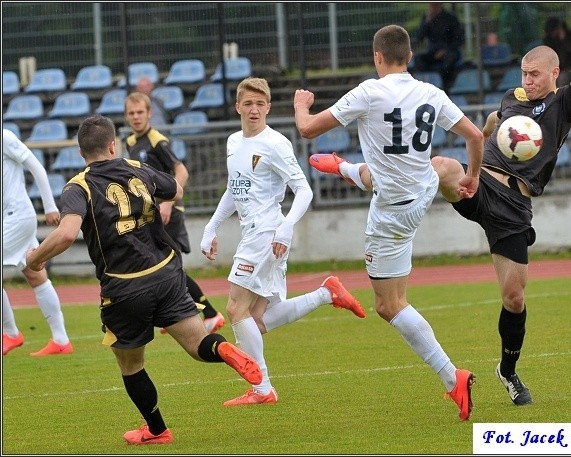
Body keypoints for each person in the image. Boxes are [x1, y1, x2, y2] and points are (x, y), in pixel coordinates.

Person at [308, 17, 571, 407]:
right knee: (440, 165)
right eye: (524, 73)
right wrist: (487, 137)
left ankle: (508, 371)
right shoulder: (513, 99)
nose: (528, 80)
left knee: (514, 297)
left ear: (554, 73)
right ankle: (381, 191)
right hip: (479, 186)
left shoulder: (562, 102)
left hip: (515, 207)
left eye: (535, 75)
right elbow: (489, 125)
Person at [25, 114, 262, 445]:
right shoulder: (138, 168)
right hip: (166, 274)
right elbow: (176, 188)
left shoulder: (78, 186)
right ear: (112, 145)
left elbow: (65, 234)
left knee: (131, 365)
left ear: (81, 154)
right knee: (197, 345)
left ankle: (156, 430)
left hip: (124, 288)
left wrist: (34, 259)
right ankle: (225, 351)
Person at [294, 24, 484, 420]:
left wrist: (300, 103)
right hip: (421, 190)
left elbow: (307, 128)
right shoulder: (431, 93)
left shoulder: (369, 91)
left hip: (393, 212)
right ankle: (348, 168)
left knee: (389, 305)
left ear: (377, 57)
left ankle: (453, 379)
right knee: (428, 166)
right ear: (410, 56)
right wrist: (474, 176)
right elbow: (476, 136)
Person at [200, 77, 366, 406]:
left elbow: (304, 190)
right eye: (248, 103)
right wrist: (211, 226)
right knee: (257, 318)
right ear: (237, 107)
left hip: (268, 232)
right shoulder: (233, 142)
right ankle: (326, 292)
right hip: (256, 233)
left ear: (268, 107)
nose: (254, 109)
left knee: (236, 308)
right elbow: (236, 191)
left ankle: (262, 390)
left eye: (260, 104)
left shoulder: (275, 143)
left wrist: (287, 226)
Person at [124, 92, 225, 334]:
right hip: (153, 213)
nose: (136, 117)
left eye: (140, 112)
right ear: (126, 116)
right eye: (131, 113)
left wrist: (168, 201)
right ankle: (178, 315)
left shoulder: (157, 140)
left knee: (169, 267)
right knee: (164, 267)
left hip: (169, 211)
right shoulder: (130, 143)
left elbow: (181, 172)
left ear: (149, 114)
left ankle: (209, 314)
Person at [2, 129, 74, 357]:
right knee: (35, 275)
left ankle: (11, 333)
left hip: (18, 216)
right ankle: (61, 340)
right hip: (9, 218)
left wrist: (50, 206)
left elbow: (37, 167)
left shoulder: (4, 137)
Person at [411, 2, 464, 92]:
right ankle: (427, 85)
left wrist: (445, 50)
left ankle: (445, 87)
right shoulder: (426, 18)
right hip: (433, 52)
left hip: (449, 51)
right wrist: (426, 22)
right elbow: (419, 37)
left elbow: (459, 39)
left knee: (449, 61)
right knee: (418, 59)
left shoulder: (451, 18)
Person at [543, 17, 571, 87]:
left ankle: (561, 97)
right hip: (555, 69)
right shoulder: (549, 40)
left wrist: (563, 39)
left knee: (562, 78)